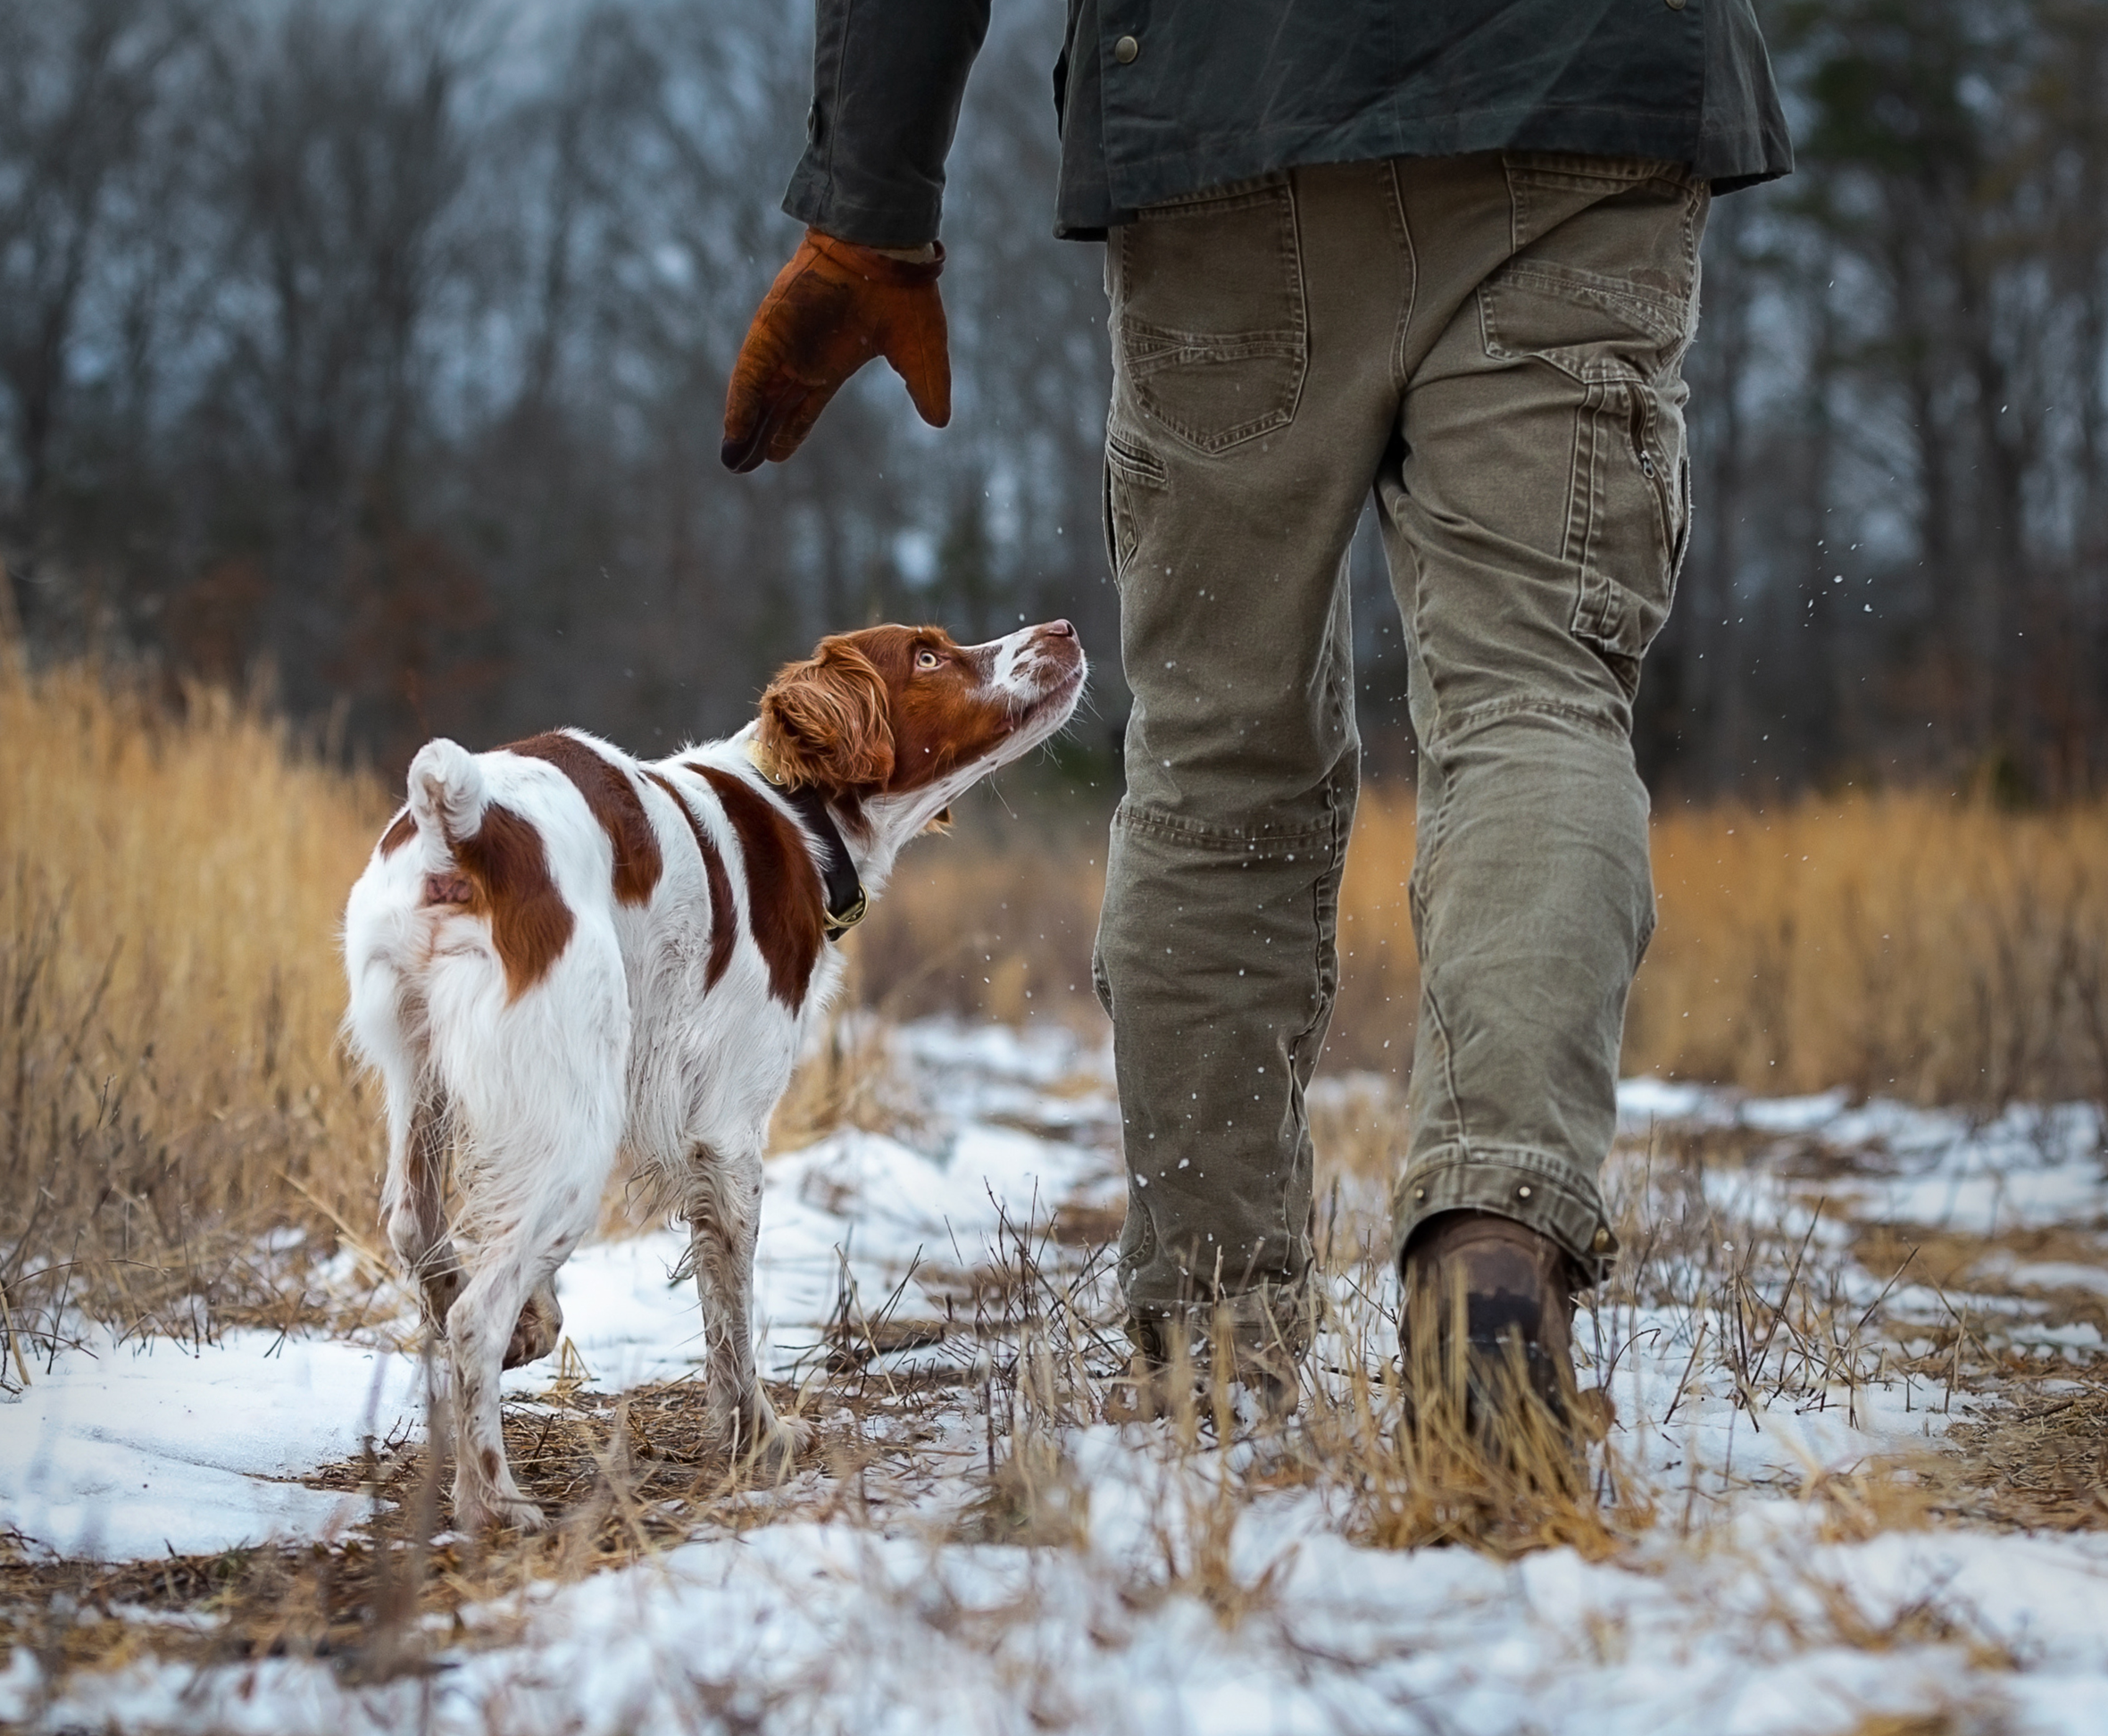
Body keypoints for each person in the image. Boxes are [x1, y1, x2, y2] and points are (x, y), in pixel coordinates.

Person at [721, 3, 1790, 1454]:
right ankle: (1495, 1241)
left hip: (1223, 110)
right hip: (1579, 91)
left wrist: (870, 215)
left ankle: (1213, 1340)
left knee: (1222, 755)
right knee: (1536, 701)